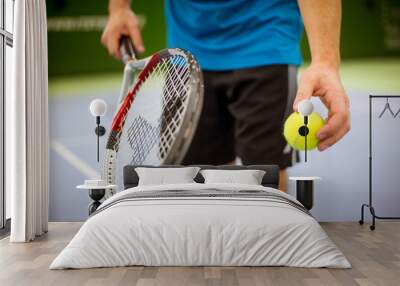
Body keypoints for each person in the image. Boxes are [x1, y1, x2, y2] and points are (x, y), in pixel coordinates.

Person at [101, 0, 350, 192]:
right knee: (195, 182)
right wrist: (119, 7)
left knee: (265, 180)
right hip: (187, 48)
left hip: (266, 37)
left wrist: (326, 61)